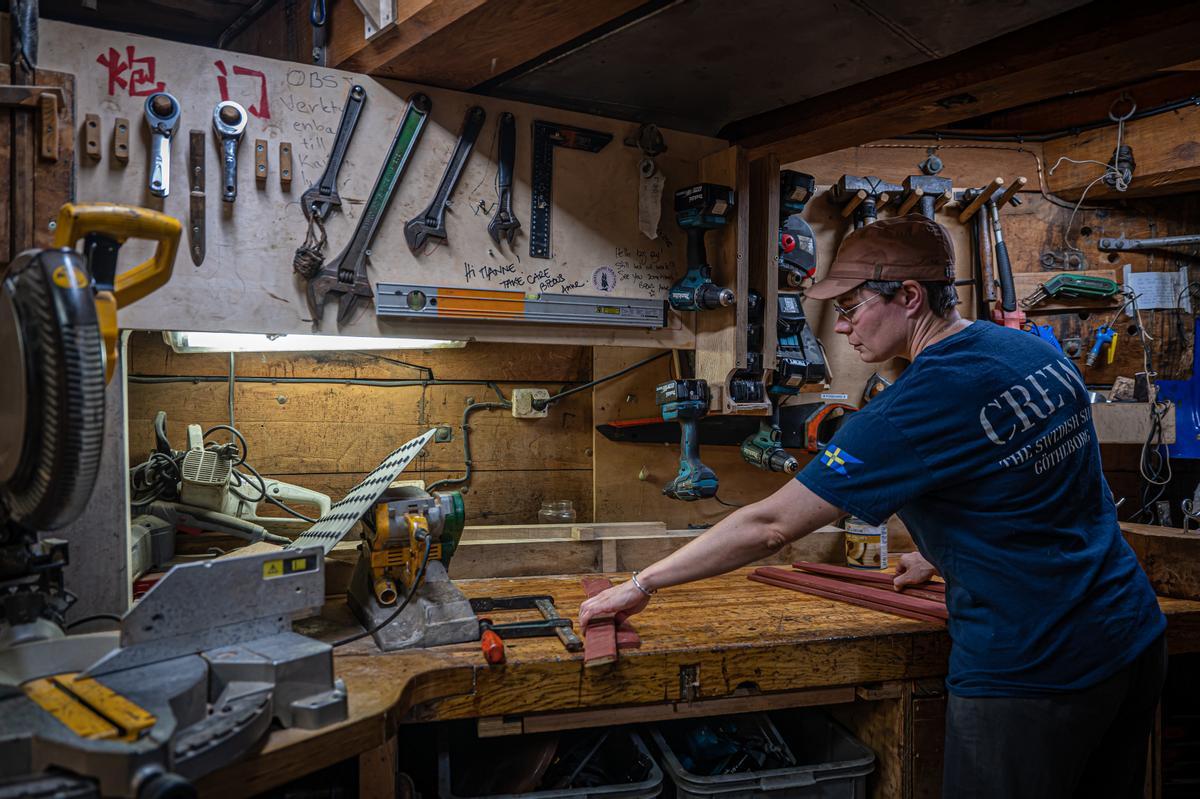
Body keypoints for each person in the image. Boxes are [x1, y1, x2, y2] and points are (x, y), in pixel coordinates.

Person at [579, 214, 1167, 798]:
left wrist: (643, 582)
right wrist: (941, 554)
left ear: (910, 296)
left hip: (1034, 667)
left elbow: (769, 526)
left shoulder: (910, 410)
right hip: (1131, 636)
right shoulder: (1030, 351)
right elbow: (1043, 488)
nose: (842, 330)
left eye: (851, 308)